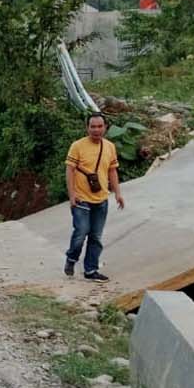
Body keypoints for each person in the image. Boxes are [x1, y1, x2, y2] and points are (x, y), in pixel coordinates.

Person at [64, 112, 125, 283]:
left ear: (105, 127)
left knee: (96, 237)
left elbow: (112, 170)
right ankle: (71, 258)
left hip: (101, 199)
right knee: (81, 232)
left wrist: (118, 193)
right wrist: (72, 195)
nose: (96, 130)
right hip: (81, 198)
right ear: (87, 128)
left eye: (100, 126)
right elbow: (70, 170)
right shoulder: (77, 146)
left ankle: (91, 270)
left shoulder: (109, 147)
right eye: (93, 126)